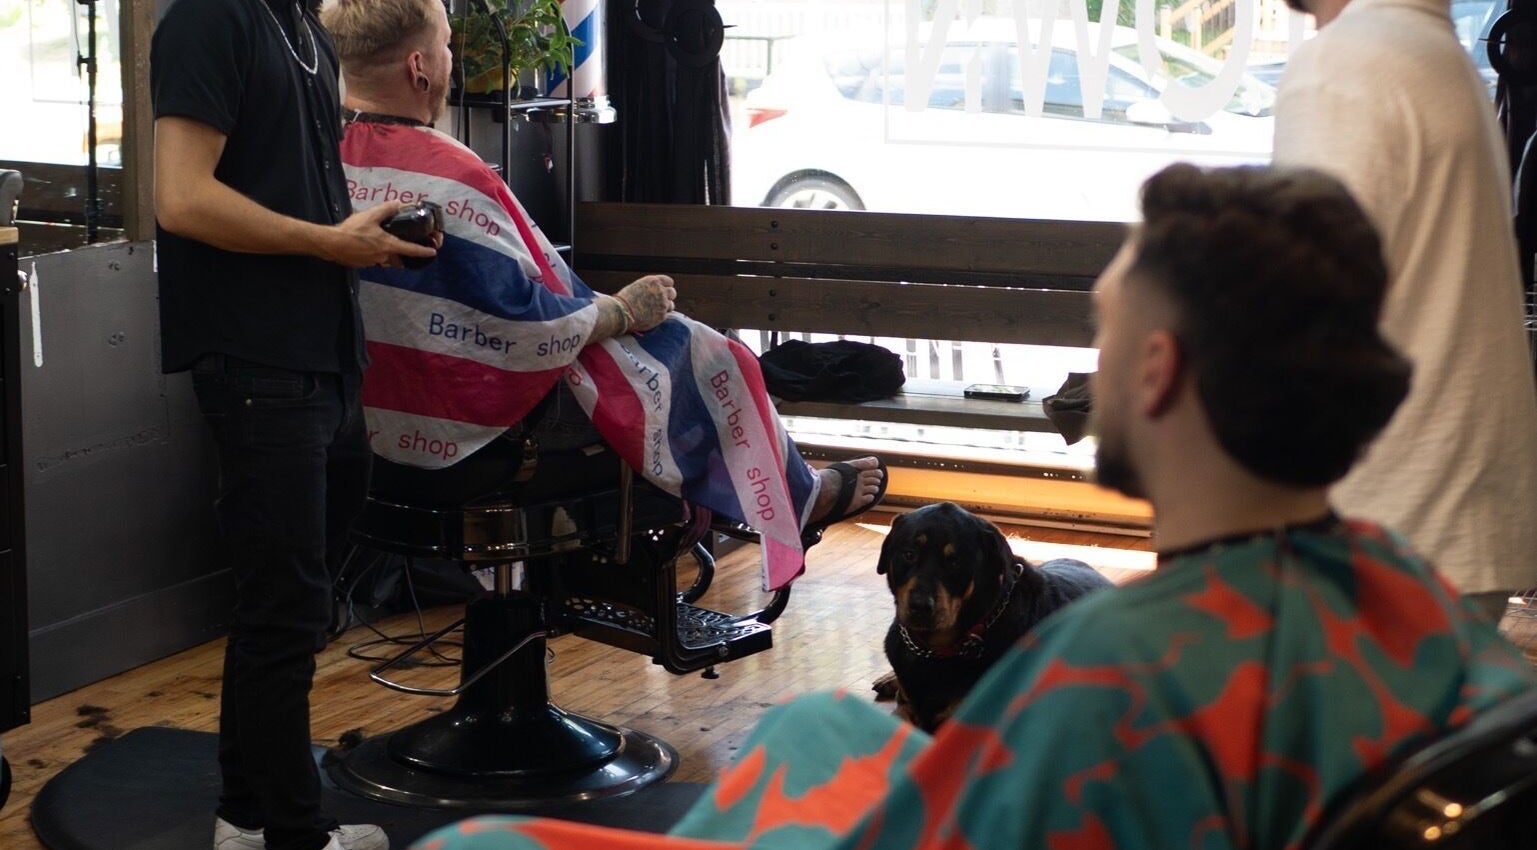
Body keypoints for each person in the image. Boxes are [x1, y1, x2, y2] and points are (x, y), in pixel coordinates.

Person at [404, 165, 1536, 850]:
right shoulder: (1405, 598)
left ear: (1155, 375)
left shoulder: (1112, 679)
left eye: (1104, 332)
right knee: (814, 724)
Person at [318, 0, 886, 591]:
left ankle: (748, 500)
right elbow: (523, 327)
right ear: (420, 67)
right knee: (706, 353)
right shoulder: (456, 176)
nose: (452, 57)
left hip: (368, 441)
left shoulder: (314, 160)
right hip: (489, 440)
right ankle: (791, 497)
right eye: (446, 44)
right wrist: (620, 310)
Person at [150, 0, 441, 847]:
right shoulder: (209, 20)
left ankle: (247, 818)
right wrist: (324, 242)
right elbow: (180, 198)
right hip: (255, 356)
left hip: (323, 348)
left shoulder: (302, 29)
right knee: (284, 605)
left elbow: (299, 185)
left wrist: (361, 237)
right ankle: (293, 834)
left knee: (291, 604)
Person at [1273, 0, 1537, 622]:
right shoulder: (1431, 52)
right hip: (1445, 523)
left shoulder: (1346, 62)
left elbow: (1304, 311)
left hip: (1380, 531)